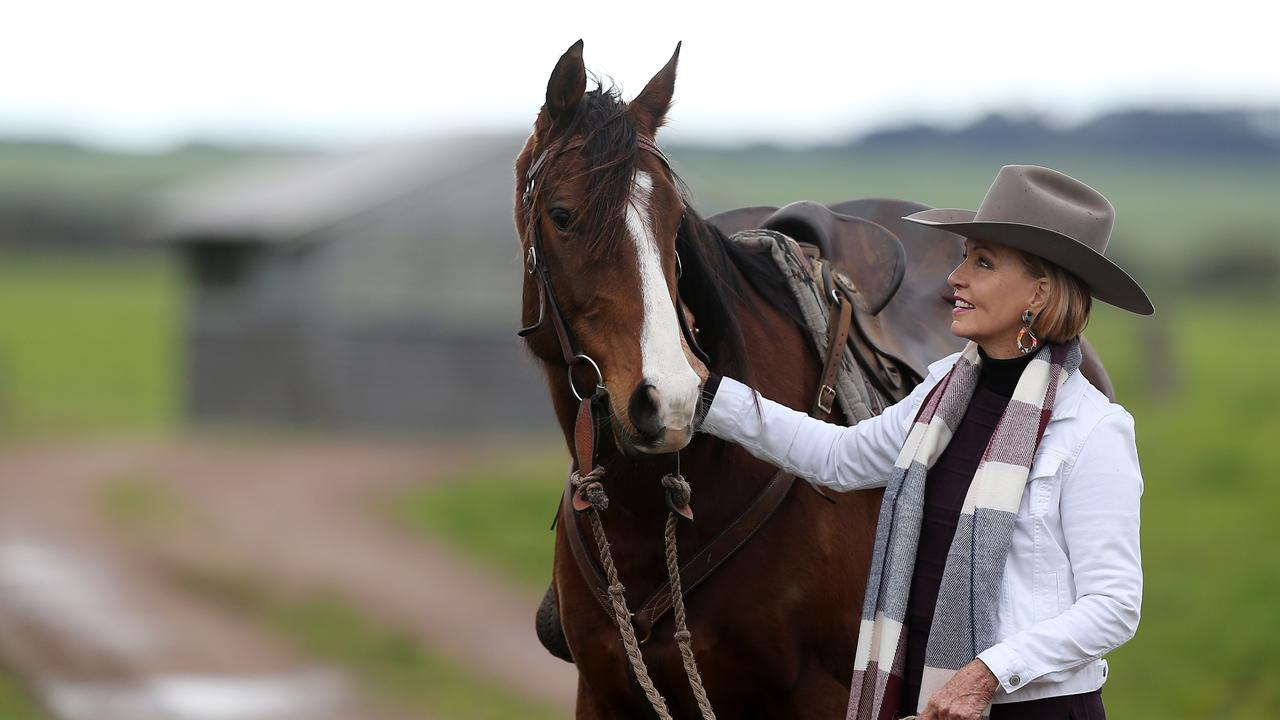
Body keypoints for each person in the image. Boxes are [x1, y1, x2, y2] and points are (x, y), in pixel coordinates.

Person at [697, 165, 1151, 720]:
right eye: (963, 256)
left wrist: (988, 673)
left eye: (981, 262)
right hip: (933, 702)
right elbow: (840, 458)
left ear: (1040, 290)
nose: (953, 277)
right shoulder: (943, 389)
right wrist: (707, 395)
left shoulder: (1093, 429)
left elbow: (1114, 606)